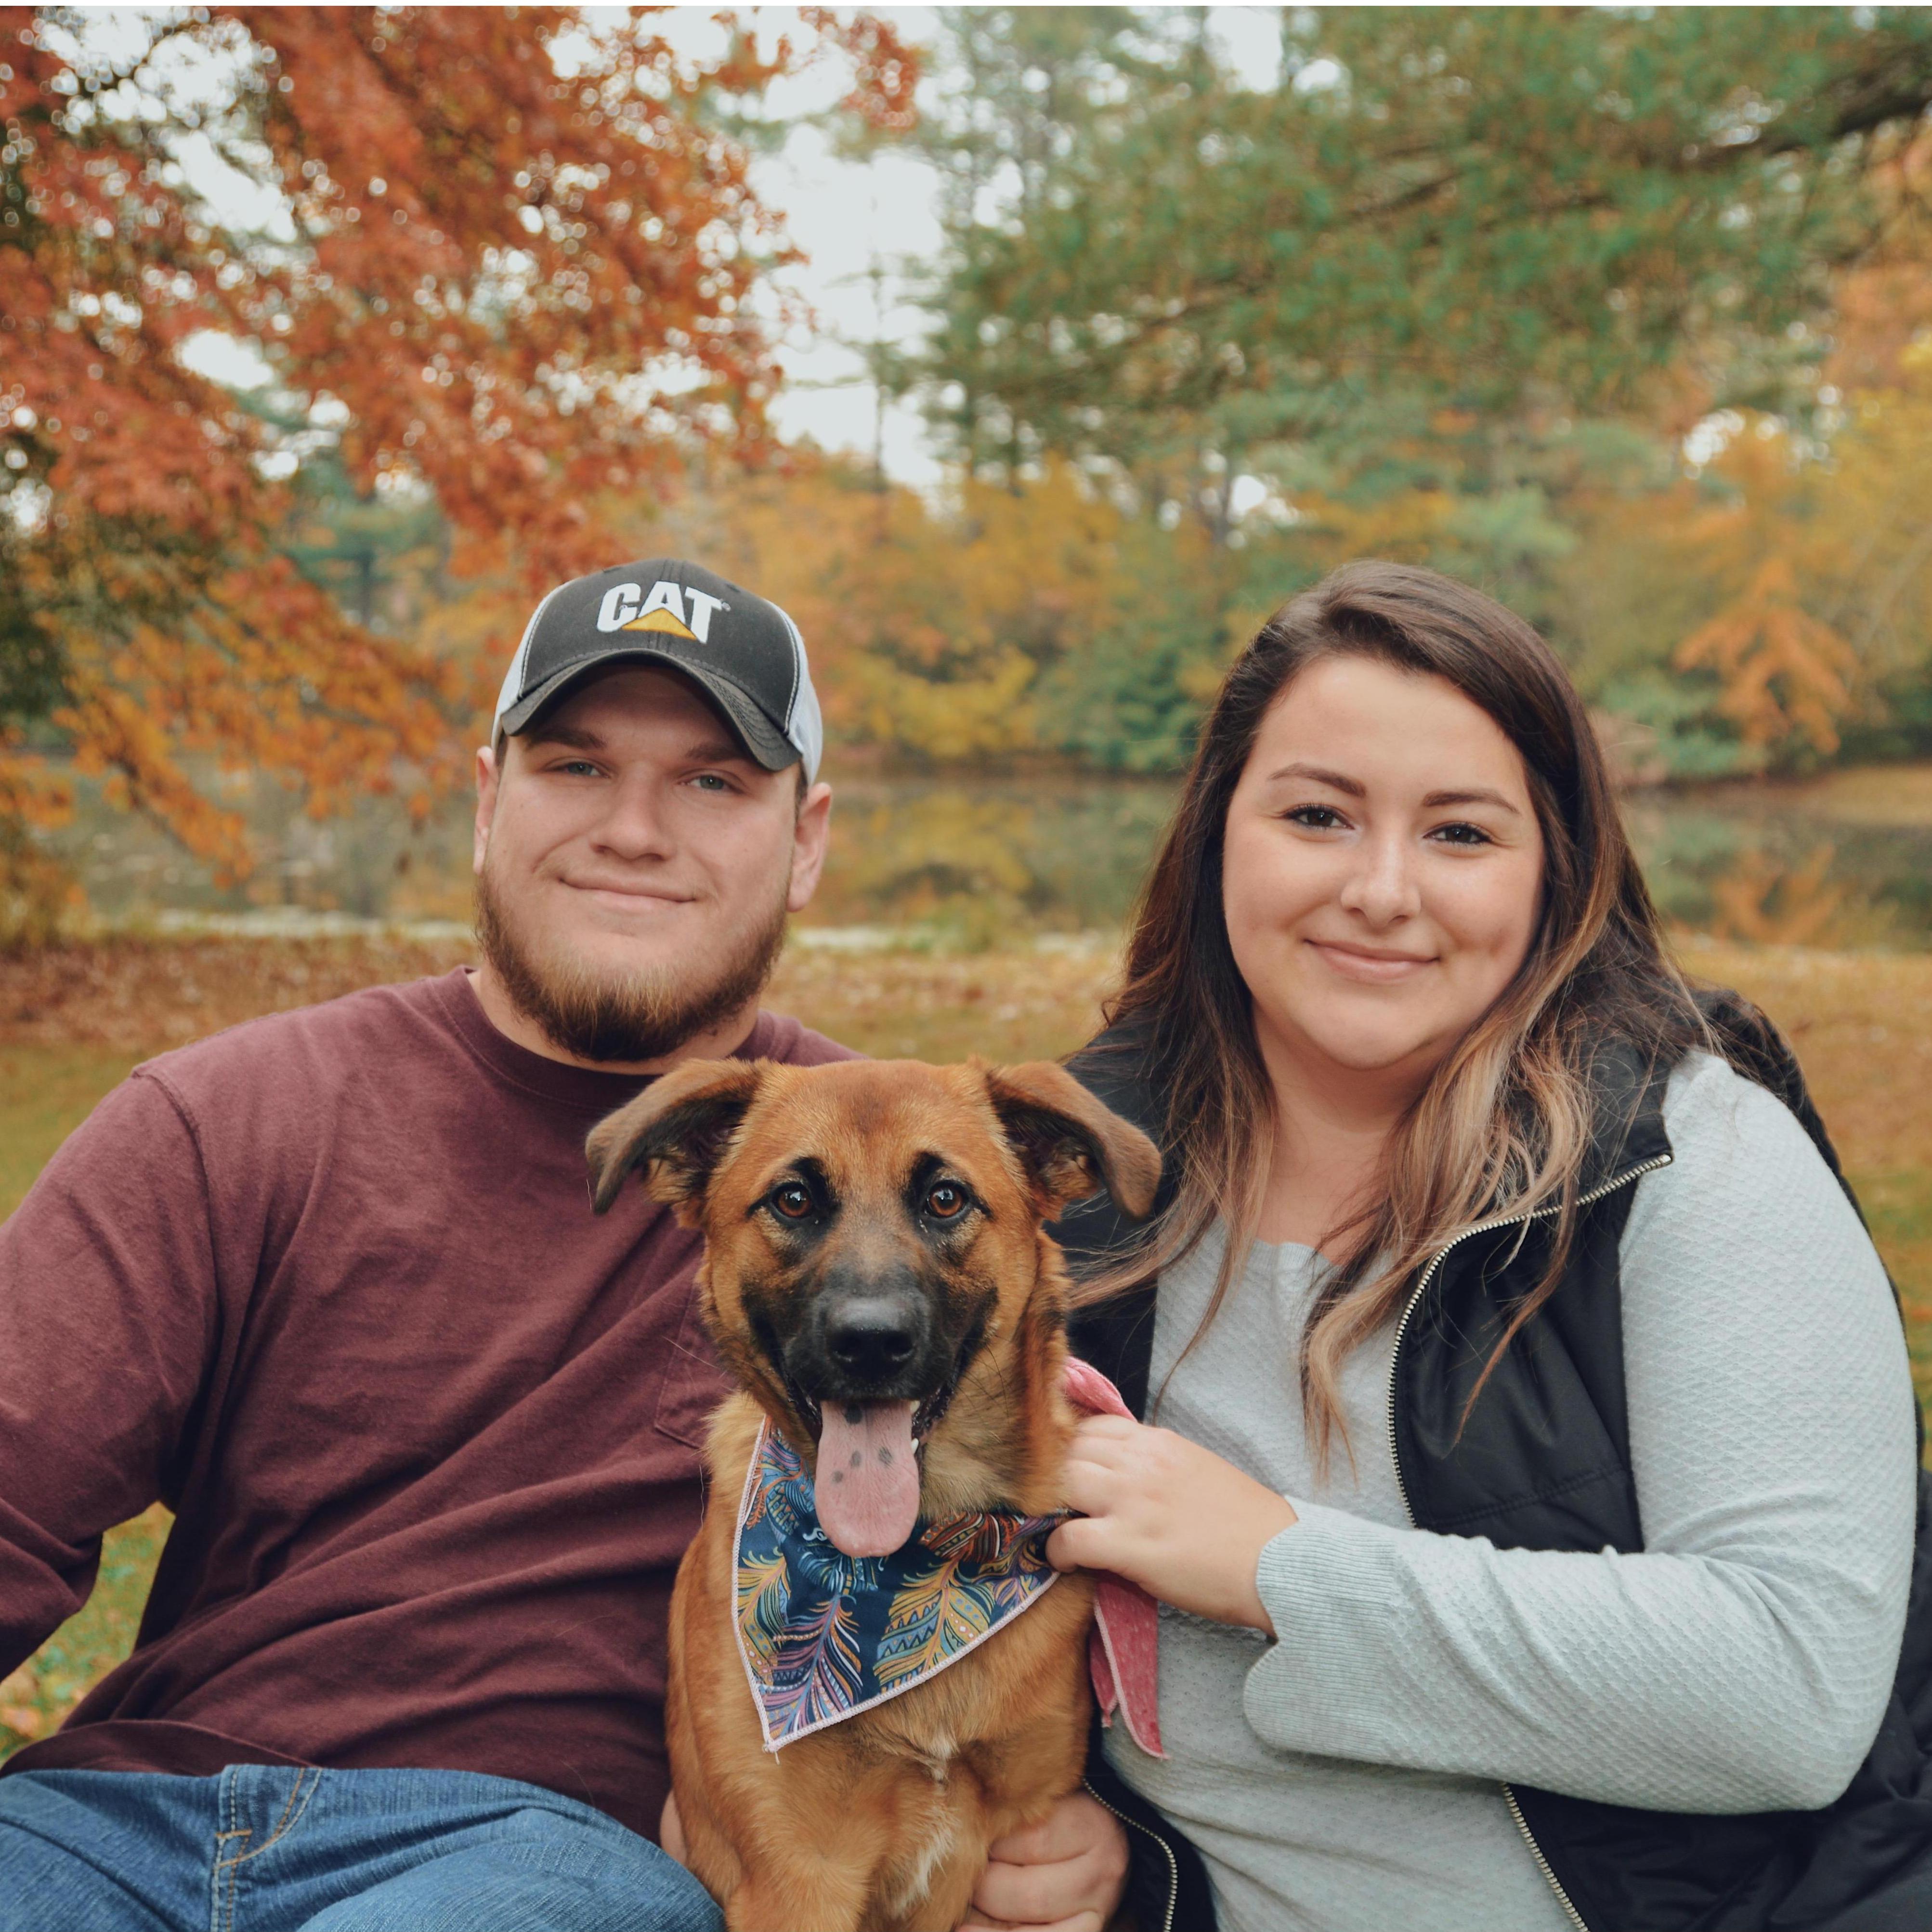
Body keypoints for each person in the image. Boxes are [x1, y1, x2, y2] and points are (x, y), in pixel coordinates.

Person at [0, 559, 1147, 1932]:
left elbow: (1054, 1480)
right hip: (118, 1817)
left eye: (714, 780)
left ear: (806, 837)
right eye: (574, 764)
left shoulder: (920, 1177)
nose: (635, 829)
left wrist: (1070, 1825)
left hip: (523, 1852)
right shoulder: (221, 1121)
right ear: (489, 800)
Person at [1050, 561, 1932, 1932]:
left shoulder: (1688, 1157)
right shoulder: (1062, 1183)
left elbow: (1792, 1688)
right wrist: (1095, 1853)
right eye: (1316, 814)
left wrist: (1278, 1565)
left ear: (1553, 873)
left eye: (1459, 834)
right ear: (1220, 829)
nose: (1381, 889)